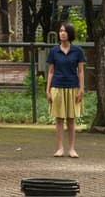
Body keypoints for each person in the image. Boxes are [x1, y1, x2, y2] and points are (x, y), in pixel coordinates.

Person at [46, 22, 86, 158]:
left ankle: (72, 149)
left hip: (72, 87)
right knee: (59, 119)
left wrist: (81, 89)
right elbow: (50, 72)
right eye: (60, 31)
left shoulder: (78, 51)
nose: (62, 33)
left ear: (70, 34)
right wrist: (48, 90)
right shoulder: (53, 51)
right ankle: (60, 148)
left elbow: (80, 71)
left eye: (65, 31)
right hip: (57, 87)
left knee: (71, 119)